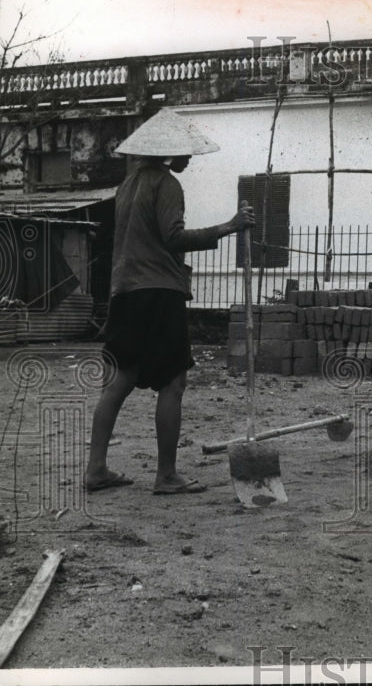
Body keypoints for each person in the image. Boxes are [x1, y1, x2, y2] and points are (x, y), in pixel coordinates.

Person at [84, 110, 254, 495]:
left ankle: (96, 469)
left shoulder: (128, 184)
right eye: (184, 150)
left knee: (119, 381)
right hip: (159, 292)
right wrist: (229, 227)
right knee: (173, 381)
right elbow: (173, 238)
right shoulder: (166, 183)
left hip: (125, 292)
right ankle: (166, 475)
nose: (189, 157)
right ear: (166, 151)